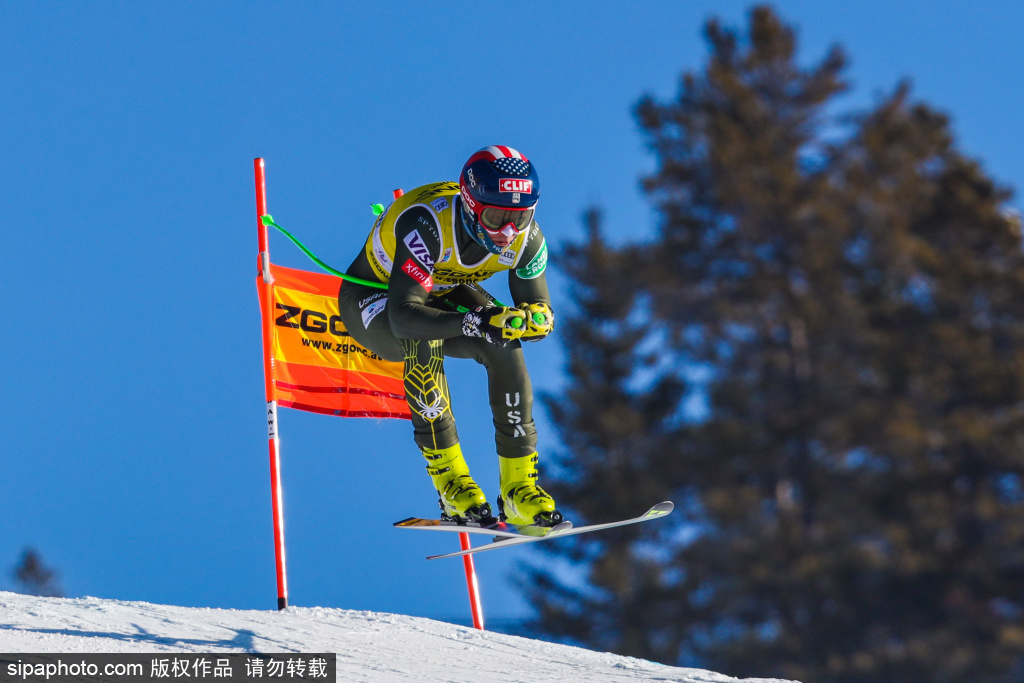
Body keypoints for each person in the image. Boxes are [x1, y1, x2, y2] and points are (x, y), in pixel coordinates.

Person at [338, 146, 561, 527]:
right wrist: (475, 321)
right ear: (472, 206)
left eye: (519, 217)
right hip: (376, 299)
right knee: (422, 337)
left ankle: (519, 488)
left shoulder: (529, 238)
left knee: (503, 340)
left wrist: (536, 318)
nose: (508, 232)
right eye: (495, 217)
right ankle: (451, 483)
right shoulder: (427, 224)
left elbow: (537, 302)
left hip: (444, 289)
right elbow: (405, 315)